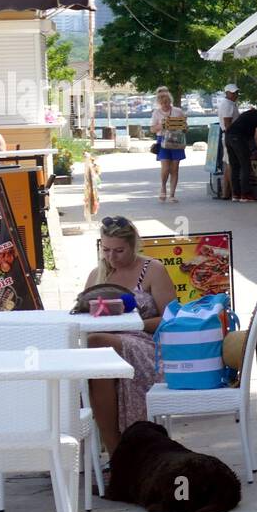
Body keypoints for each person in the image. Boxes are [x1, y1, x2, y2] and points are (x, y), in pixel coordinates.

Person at [83, 216, 178, 454]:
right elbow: (82, 316)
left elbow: (171, 319)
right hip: (107, 346)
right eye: (106, 250)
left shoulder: (152, 270)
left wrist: (134, 323)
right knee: (93, 360)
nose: (112, 257)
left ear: (133, 245)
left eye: (119, 251)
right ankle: (118, 453)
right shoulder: (97, 275)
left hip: (147, 345)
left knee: (96, 345)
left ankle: (118, 455)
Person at [226, 103, 257, 202]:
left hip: (228, 137)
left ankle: (235, 194)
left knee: (235, 166)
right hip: (238, 139)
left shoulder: (251, 113)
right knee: (245, 165)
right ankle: (245, 194)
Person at [150, 87, 188, 202]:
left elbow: (186, 128)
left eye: (166, 102)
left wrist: (180, 125)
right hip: (163, 141)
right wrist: (162, 125)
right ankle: (163, 188)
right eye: (162, 102)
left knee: (175, 168)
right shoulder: (156, 113)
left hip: (177, 140)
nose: (164, 104)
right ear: (158, 103)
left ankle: (172, 194)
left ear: (170, 101)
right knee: (165, 168)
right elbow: (152, 129)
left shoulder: (178, 111)